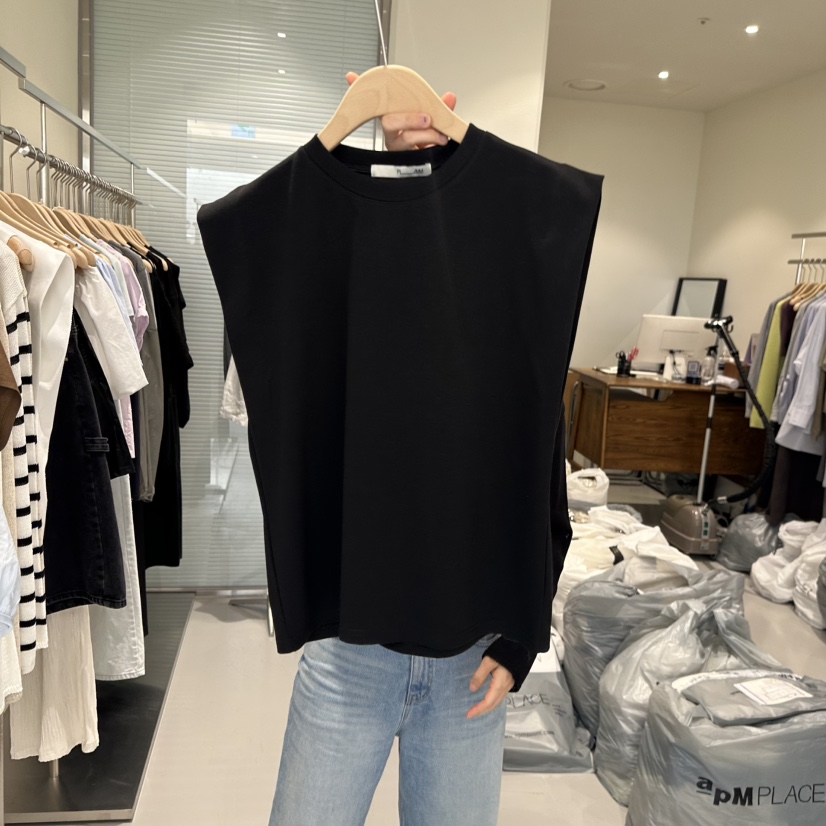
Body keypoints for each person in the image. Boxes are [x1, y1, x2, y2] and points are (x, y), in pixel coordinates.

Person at [268, 74, 523, 826]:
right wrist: (359, 157)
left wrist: (522, 635)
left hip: (472, 654)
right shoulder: (327, 250)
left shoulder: (502, 252)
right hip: (351, 650)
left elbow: (536, 448)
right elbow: (263, 228)